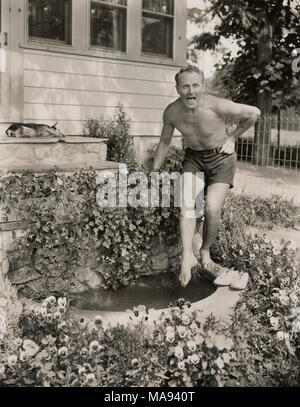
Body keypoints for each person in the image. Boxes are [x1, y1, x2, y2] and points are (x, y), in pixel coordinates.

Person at [153, 65, 261, 287]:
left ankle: (204, 251)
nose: (190, 91)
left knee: (212, 208)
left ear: (202, 86)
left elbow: (254, 113)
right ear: (177, 88)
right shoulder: (171, 112)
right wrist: (154, 170)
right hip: (194, 158)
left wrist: (232, 138)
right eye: (185, 86)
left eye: (195, 85)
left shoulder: (216, 105)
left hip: (221, 158)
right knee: (187, 206)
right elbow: (164, 141)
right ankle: (187, 257)